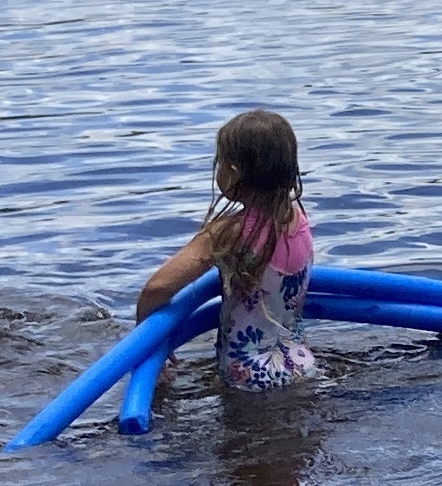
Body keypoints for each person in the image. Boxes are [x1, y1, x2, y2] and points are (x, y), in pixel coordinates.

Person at [130, 107, 321, 393]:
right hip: (300, 364)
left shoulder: (228, 232)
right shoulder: (297, 218)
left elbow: (156, 288)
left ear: (233, 172)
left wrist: (147, 337)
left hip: (248, 375)